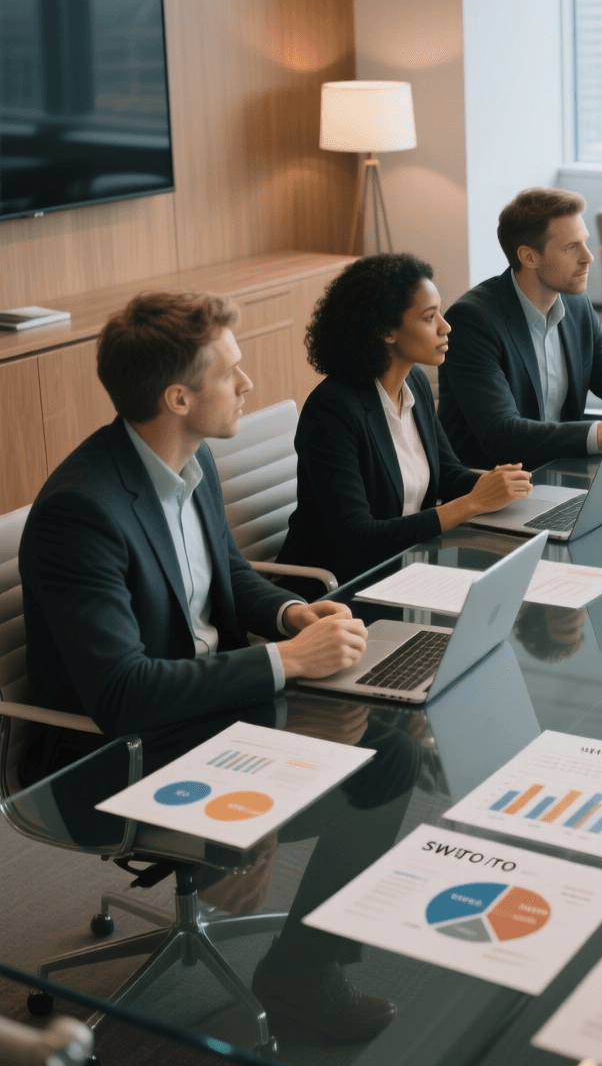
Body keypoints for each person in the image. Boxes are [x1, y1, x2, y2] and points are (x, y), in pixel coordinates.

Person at [20, 291, 367, 771]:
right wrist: (289, 660)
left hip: (216, 707)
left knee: (369, 748)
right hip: (127, 752)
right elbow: (124, 693)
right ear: (178, 398)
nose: (246, 384)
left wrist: (289, 616)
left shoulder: (194, 454)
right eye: (227, 374)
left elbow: (225, 568)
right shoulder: (81, 514)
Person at [278, 253, 532, 588]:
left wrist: (503, 485)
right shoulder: (333, 410)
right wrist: (472, 503)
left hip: (408, 567)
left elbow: (447, 474)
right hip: (340, 588)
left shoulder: (415, 384)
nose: (446, 326)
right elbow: (357, 536)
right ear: (386, 330)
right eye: (429, 318)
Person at [437, 187, 602, 471]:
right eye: (572, 247)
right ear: (529, 257)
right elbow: (501, 434)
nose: (588, 257)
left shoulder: (575, 304)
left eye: (585, 243)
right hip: (492, 485)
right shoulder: (472, 321)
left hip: (561, 468)